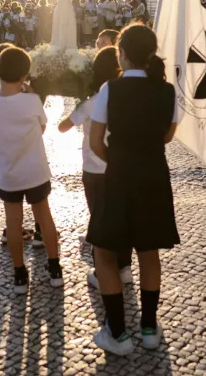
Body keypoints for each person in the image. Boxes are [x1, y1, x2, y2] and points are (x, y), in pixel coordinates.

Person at [88, 23, 181, 355]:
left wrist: (118, 159)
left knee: (104, 250)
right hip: (154, 174)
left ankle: (118, 334)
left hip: (120, 174)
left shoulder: (110, 89)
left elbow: (95, 142)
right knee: (149, 250)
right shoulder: (168, 90)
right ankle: (149, 327)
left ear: (121, 54)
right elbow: (168, 135)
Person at [0, 46, 63, 293]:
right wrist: (29, 92)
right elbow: (41, 129)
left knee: (13, 222)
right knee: (44, 217)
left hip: (9, 173)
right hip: (35, 170)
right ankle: (55, 268)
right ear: (25, 76)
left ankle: (19, 274)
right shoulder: (32, 101)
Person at [58, 46, 132, 288]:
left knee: (99, 220)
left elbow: (63, 127)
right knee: (122, 218)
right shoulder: (128, 98)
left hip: (95, 169)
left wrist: (78, 106)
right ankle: (124, 267)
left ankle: (103, 272)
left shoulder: (92, 102)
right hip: (122, 168)